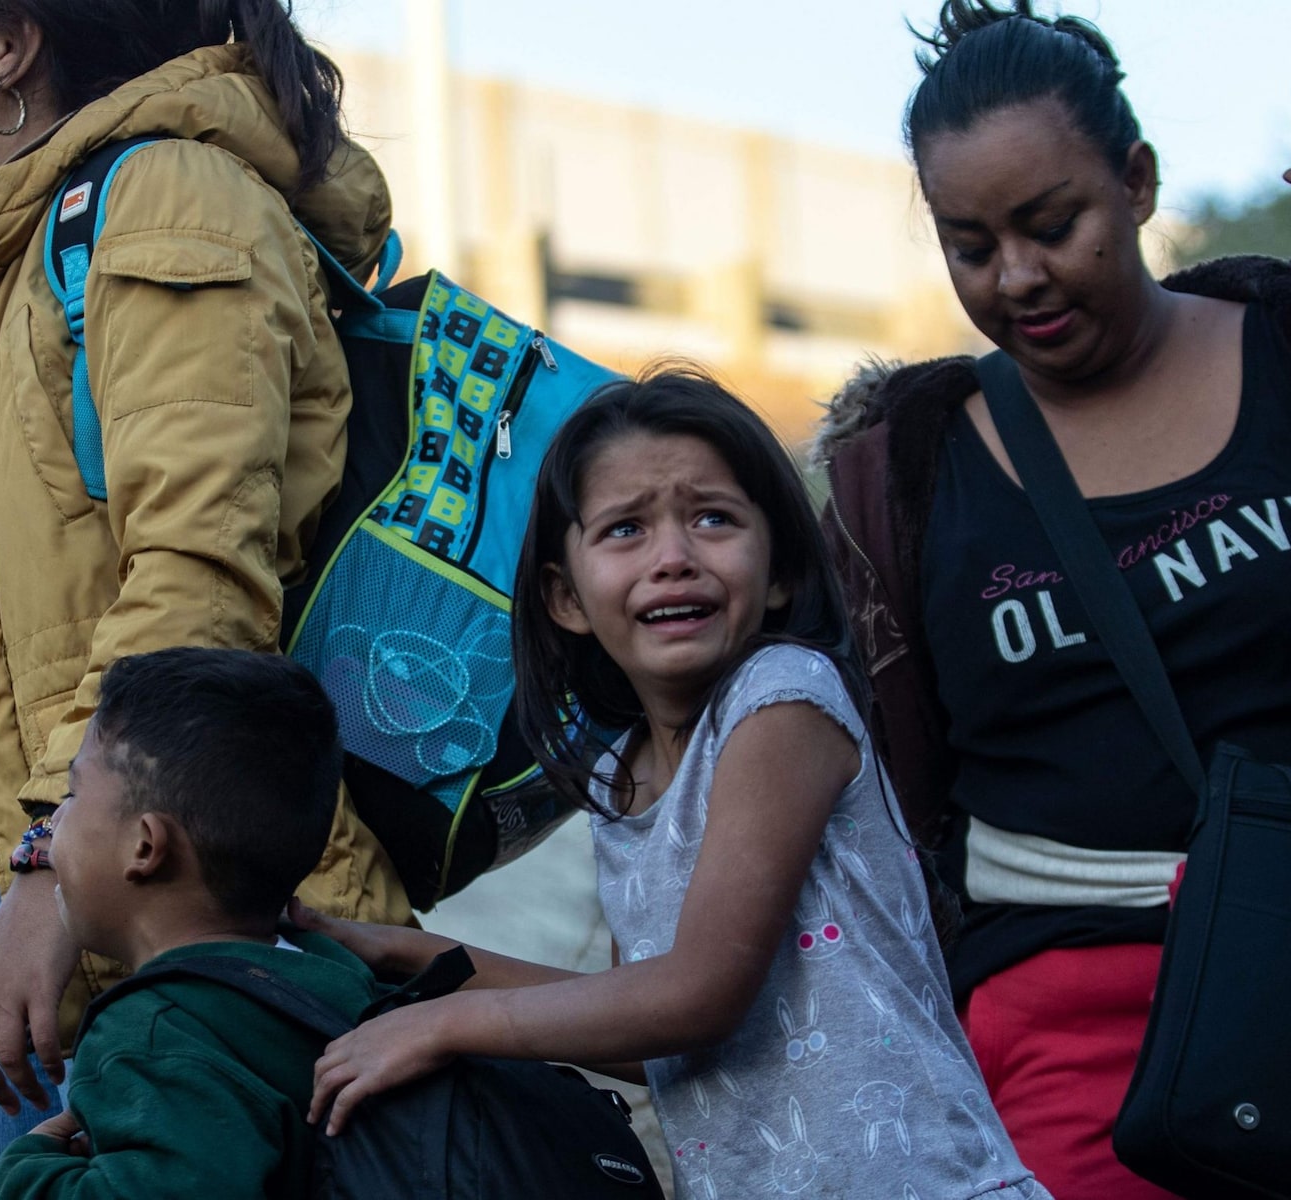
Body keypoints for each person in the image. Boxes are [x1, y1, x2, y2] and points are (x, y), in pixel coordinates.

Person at [813, 3, 1291, 1196]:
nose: (1017, 277)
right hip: (1071, 1034)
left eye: (1051, 224)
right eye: (970, 246)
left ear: (1138, 181)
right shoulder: (899, 472)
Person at [0, 3, 412, 1194]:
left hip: (169, 920)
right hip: (97, 899)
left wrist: (49, 882)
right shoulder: (33, 257)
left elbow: (197, 579)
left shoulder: (168, 201)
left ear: (15, 44)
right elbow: (60, 574)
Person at [292, 370, 1050, 1200]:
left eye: (714, 518)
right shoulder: (622, 778)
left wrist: (444, 1022)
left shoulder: (781, 698)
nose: (674, 558)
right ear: (565, 597)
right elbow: (650, 1032)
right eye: (625, 529)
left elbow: (696, 997)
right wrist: (409, 955)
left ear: (784, 570)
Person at [0, 646, 381, 1198]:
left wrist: (33, 1171)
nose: (53, 824)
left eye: (73, 795)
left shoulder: (153, 1034)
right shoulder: (327, 972)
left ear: (145, 846)